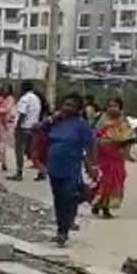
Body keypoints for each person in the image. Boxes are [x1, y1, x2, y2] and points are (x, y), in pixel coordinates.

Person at [43, 93, 96, 247]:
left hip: (71, 167)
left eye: (72, 105)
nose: (67, 108)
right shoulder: (56, 122)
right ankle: (61, 229)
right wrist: (52, 118)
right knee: (59, 199)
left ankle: (64, 231)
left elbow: (91, 145)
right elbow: (37, 129)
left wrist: (91, 165)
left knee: (67, 197)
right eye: (66, 104)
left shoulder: (81, 125)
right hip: (54, 167)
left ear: (78, 109)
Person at [92, 97, 135, 219]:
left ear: (120, 108)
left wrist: (125, 151)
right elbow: (95, 137)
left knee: (117, 179)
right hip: (104, 155)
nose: (112, 108)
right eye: (110, 105)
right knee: (105, 181)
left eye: (115, 105)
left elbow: (129, 138)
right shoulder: (102, 120)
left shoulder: (123, 122)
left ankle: (102, 204)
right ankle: (103, 207)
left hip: (117, 155)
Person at [10, 81, 43, 181]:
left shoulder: (24, 99)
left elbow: (22, 114)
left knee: (19, 151)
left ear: (23, 88)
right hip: (34, 128)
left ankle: (19, 173)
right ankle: (42, 171)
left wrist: (18, 127)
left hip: (24, 128)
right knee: (33, 152)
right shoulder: (37, 99)